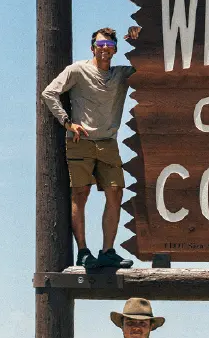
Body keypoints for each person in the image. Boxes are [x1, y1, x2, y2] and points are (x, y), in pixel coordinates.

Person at [41, 26, 139, 270]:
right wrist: (67, 122)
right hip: (80, 141)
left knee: (116, 192)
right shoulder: (78, 70)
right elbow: (49, 93)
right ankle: (83, 252)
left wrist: (140, 42)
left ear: (115, 49)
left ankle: (107, 251)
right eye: (100, 45)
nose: (104, 50)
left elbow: (149, 68)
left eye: (109, 46)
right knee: (80, 194)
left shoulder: (121, 74)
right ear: (92, 47)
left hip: (108, 141)